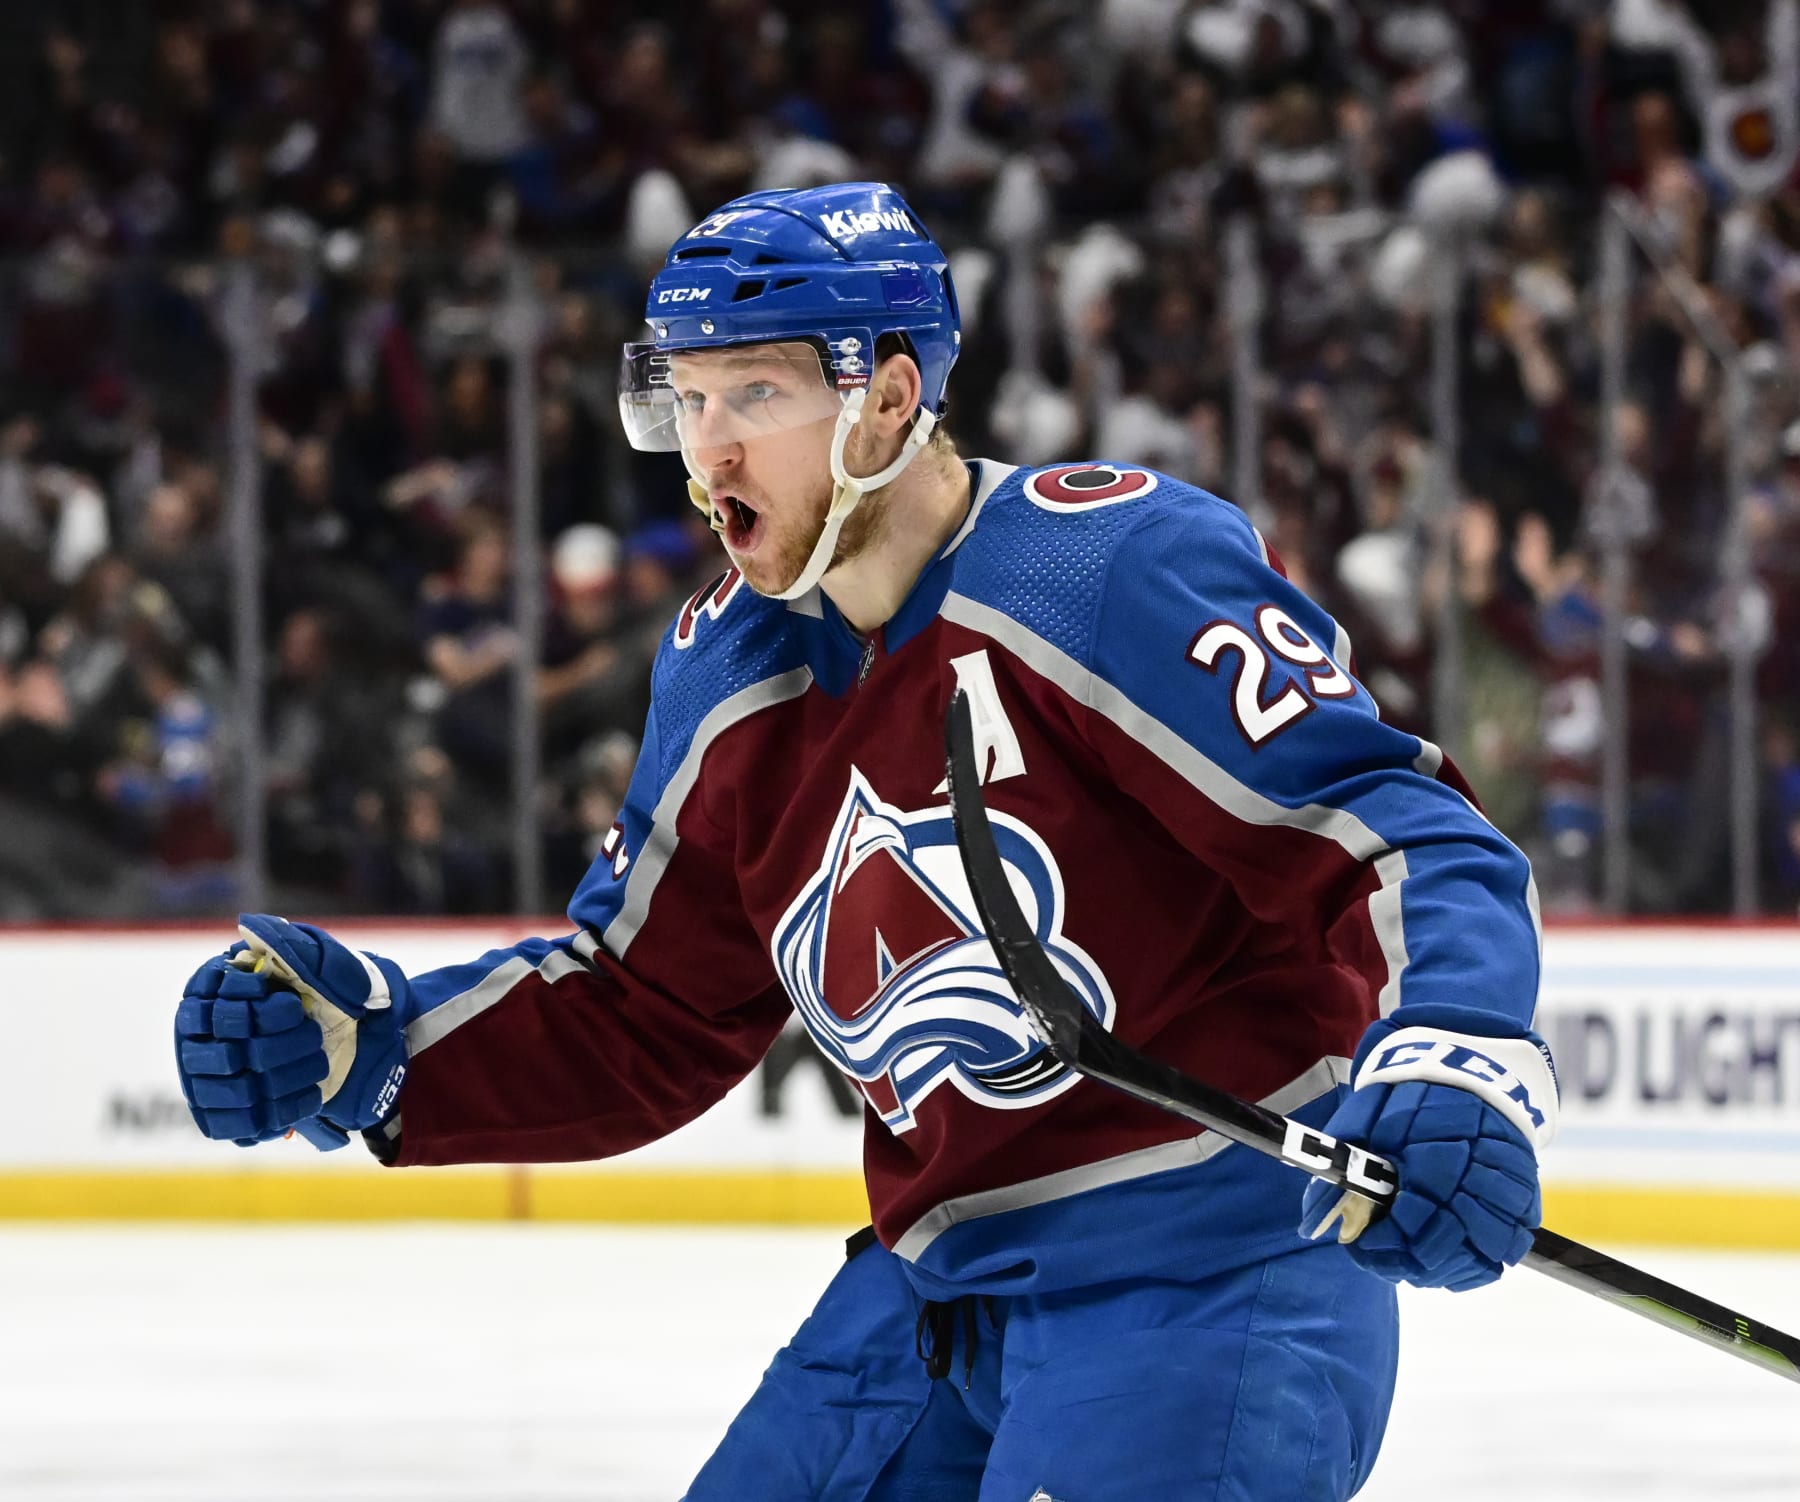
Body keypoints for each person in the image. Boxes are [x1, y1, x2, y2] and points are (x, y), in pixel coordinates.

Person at [173, 182, 1555, 1500]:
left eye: (757, 393)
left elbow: (1396, 830)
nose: (710, 445)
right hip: (940, 1283)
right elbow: (642, 1001)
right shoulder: (728, 670)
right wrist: (379, 1048)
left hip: (1205, 1268)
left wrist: (1457, 1055)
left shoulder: (1104, 568)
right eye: (689, 396)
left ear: (889, 395)